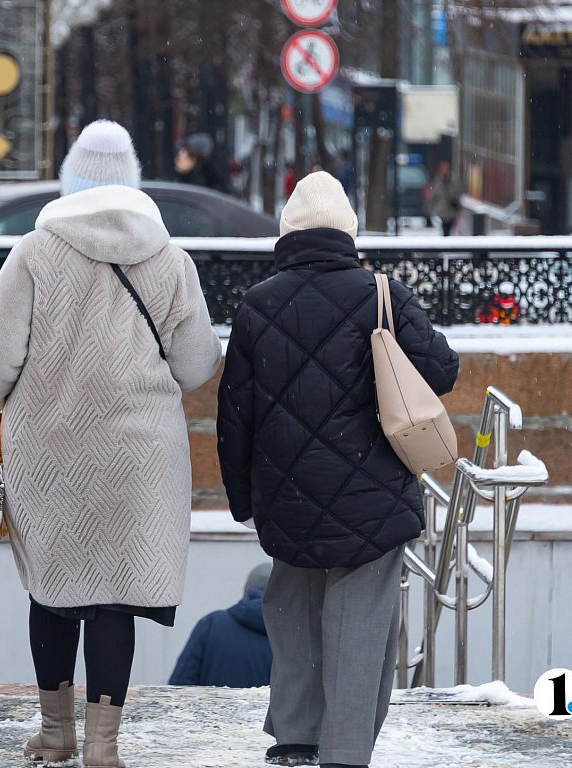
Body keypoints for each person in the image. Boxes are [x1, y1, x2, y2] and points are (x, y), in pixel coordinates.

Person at [0, 120, 221, 768]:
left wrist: (0, 396)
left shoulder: (34, 252)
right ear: (133, 183)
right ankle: (103, 748)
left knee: (54, 593)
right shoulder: (170, 258)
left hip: (48, 447)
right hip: (140, 460)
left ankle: (56, 736)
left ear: (70, 183)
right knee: (117, 596)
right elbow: (198, 363)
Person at [217, 171, 459, 768]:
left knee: (293, 610)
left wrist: (244, 497)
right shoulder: (383, 294)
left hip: (287, 496)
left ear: (288, 232)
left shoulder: (257, 306)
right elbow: (442, 372)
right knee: (360, 622)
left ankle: (295, 738)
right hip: (371, 496)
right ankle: (347, 752)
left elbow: (235, 416)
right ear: (349, 232)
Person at [168, 562, 273, 688]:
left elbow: (179, 686)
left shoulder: (211, 624)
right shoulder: (293, 638)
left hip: (210, 707)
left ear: (246, 591)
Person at [427, 161, 463, 236]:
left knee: (449, 230)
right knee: (445, 230)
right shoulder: (438, 181)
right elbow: (434, 196)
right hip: (442, 211)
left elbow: (458, 193)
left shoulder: (454, 181)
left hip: (451, 211)